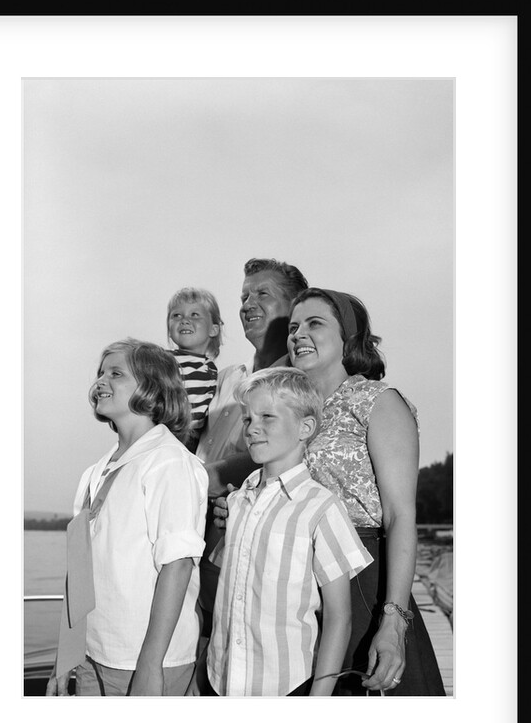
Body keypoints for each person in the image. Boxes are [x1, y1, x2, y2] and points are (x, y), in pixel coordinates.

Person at [287, 287, 446, 695]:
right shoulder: (289, 414)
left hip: (363, 582)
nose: (298, 334)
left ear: (349, 337)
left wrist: (393, 618)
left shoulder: (377, 400)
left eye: (314, 323)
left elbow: (400, 515)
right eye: (293, 327)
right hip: (298, 584)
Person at [46, 338, 209, 697]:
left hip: (147, 661)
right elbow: (80, 567)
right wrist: (66, 654)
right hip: (91, 655)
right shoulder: (95, 472)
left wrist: (151, 665)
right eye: (100, 373)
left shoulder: (168, 461)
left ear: (151, 387)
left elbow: (178, 565)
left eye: (116, 374)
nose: (101, 381)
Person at [206, 367, 373, 696]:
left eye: (267, 417)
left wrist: (319, 697)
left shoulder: (321, 508)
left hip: (287, 684)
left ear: (305, 427)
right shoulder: (237, 502)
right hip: (222, 680)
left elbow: (339, 617)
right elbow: (228, 594)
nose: (252, 428)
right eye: (247, 419)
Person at [191, 258, 310, 675]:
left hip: (244, 544)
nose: (247, 304)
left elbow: (284, 452)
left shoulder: (299, 380)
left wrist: (199, 479)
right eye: (244, 296)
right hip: (195, 535)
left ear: (294, 307)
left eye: (262, 294)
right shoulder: (228, 378)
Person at [166, 287, 223, 453]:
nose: (184, 320)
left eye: (194, 315)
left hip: (197, 442)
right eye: (177, 315)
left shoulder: (212, 370)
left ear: (213, 329)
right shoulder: (165, 361)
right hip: (169, 433)